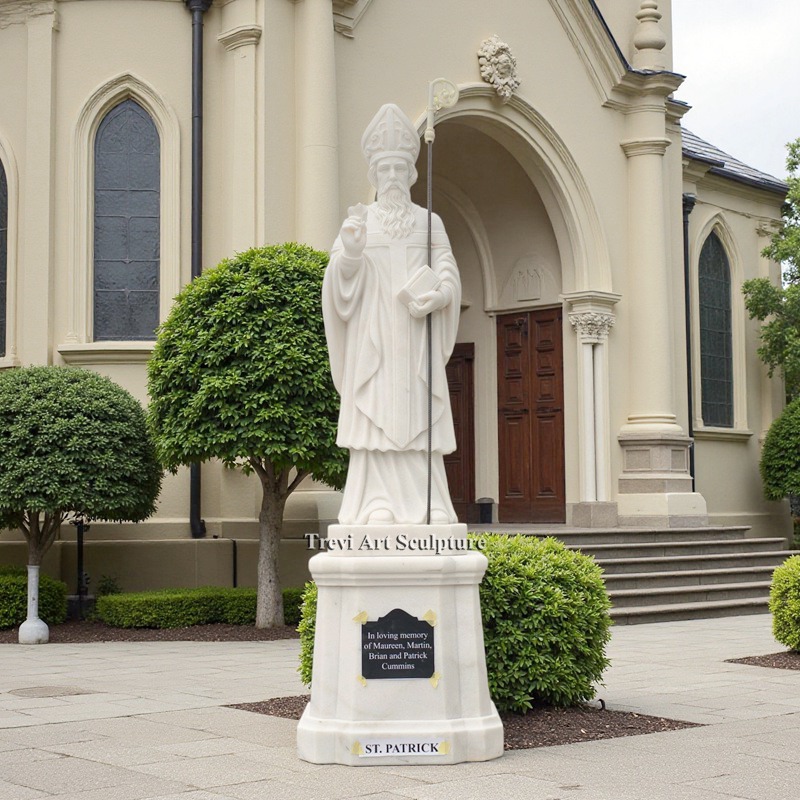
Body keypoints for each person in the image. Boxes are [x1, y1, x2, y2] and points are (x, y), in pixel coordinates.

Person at [322, 103, 461, 525]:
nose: (393, 177)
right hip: (375, 341)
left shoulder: (430, 222)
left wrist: (439, 297)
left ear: (412, 174)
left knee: (419, 418)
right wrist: (351, 252)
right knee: (376, 420)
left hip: (416, 340)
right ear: (375, 175)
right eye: (385, 170)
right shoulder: (359, 223)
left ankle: (430, 505)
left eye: (401, 169)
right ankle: (376, 503)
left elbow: (448, 272)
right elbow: (338, 284)